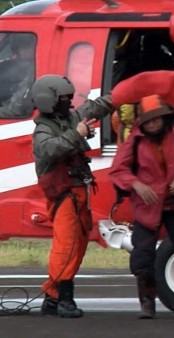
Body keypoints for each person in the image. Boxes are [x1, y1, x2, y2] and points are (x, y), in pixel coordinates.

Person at [109, 94, 174, 319]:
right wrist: (136, 184)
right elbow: (117, 170)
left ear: (165, 118)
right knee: (142, 257)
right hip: (147, 206)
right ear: (141, 122)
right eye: (148, 120)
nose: (153, 124)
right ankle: (147, 304)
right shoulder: (134, 140)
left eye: (157, 119)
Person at [32, 74, 113, 318]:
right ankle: (64, 298)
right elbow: (49, 150)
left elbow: (94, 107)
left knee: (78, 244)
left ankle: (53, 296)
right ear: (50, 100)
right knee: (66, 245)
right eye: (64, 98)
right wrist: (77, 134)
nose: (69, 101)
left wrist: (121, 96)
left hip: (78, 191)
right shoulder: (43, 130)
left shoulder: (70, 118)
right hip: (64, 194)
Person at [0, 33, 36, 118]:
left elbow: (18, 108)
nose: (29, 50)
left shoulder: (34, 70)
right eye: (22, 47)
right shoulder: (9, 66)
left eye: (28, 46)